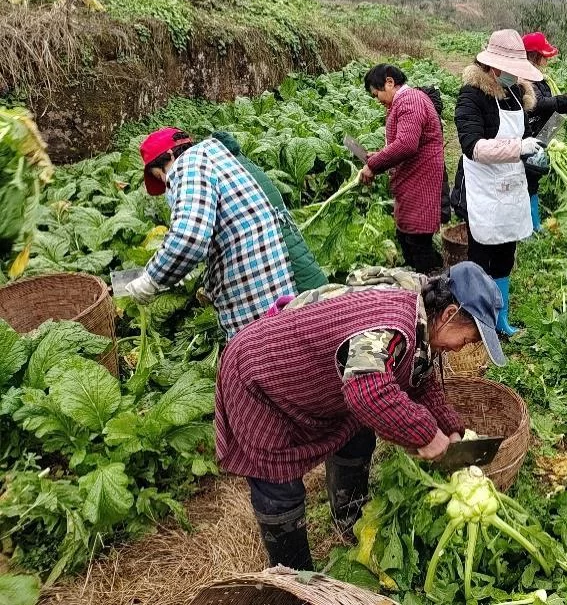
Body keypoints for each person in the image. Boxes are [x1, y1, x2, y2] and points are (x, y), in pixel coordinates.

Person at [214, 262, 507, 570]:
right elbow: (368, 393)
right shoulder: (393, 323)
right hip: (260, 374)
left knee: (356, 430)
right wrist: (425, 434)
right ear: (449, 315)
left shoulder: (423, 308)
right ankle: (294, 577)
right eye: (469, 338)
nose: (463, 348)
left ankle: (349, 516)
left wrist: (449, 428)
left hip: (321, 373)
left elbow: (418, 378)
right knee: (278, 482)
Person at [121, 128, 297, 339]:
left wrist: (150, 280)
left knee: (262, 361)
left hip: (256, 301)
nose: (167, 185)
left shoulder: (187, 165)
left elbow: (189, 238)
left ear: (170, 155)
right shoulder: (214, 157)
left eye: (161, 176)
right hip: (274, 286)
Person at [451, 29, 544, 335]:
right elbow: (473, 146)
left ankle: (500, 316)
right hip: (482, 190)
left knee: (506, 252)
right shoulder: (471, 95)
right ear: (492, 66)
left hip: (510, 185)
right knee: (481, 256)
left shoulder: (516, 92)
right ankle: (477, 318)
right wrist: (519, 149)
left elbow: (523, 135)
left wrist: (535, 152)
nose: (515, 77)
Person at [211, 130, 328, 292]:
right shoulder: (243, 163)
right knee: (314, 287)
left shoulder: (219, 175)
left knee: (305, 301)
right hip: (293, 249)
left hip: (280, 267)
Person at [362, 64, 446, 274]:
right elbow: (402, 141)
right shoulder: (405, 101)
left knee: (417, 240)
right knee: (408, 236)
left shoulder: (410, 100)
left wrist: (374, 165)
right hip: (413, 178)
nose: (377, 100)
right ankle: (429, 277)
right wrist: (380, 155)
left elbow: (407, 144)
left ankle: (433, 284)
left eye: (377, 93)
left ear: (389, 82)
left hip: (421, 179)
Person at [522, 32, 567, 232]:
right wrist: (564, 100)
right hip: (529, 135)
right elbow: (538, 105)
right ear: (535, 55)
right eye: (544, 55)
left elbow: (550, 107)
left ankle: (533, 223)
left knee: (533, 179)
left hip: (543, 133)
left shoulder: (537, 74)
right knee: (528, 179)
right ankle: (529, 227)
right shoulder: (523, 76)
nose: (547, 59)